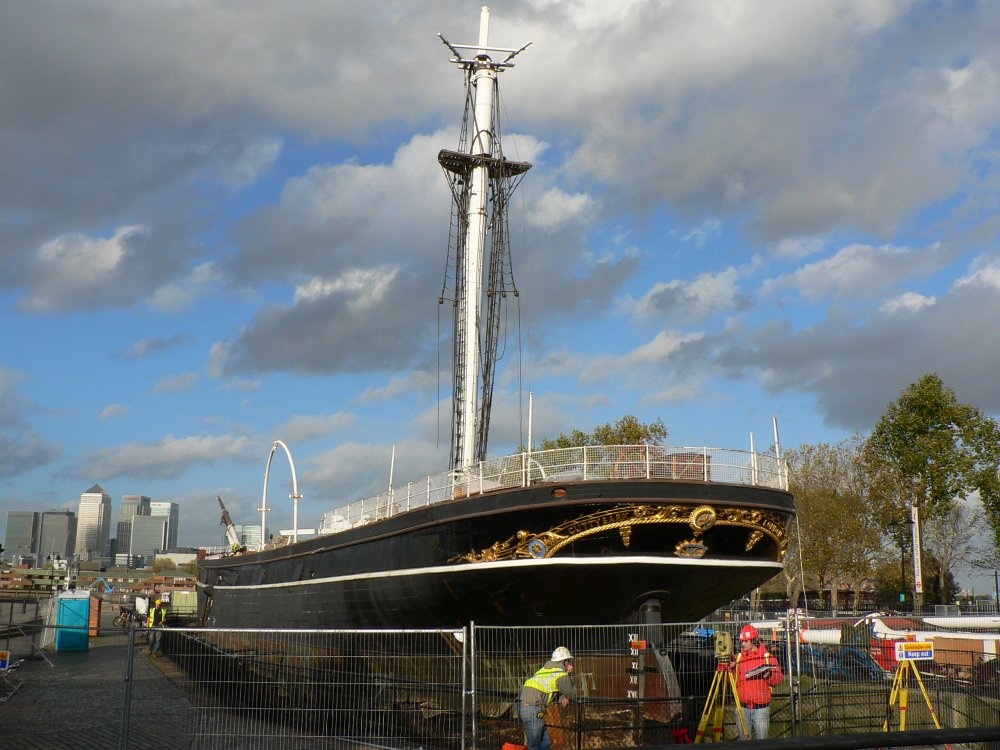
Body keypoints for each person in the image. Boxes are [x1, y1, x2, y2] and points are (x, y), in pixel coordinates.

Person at [518, 646, 577, 750]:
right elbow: (572, 693)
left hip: (527, 706)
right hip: (532, 708)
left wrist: (563, 696)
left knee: (546, 742)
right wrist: (568, 674)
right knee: (534, 746)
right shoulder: (560, 674)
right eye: (568, 661)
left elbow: (551, 689)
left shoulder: (545, 669)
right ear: (564, 662)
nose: (569, 663)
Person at [732, 624, 783, 740]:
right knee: (743, 744)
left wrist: (769, 675)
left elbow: (778, 678)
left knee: (762, 743)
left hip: (761, 709)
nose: (743, 644)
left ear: (754, 641)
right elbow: (732, 679)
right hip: (742, 709)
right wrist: (729, 668)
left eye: (746, 641)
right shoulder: (738, 658)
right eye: (742, 641)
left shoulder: (767, 657)